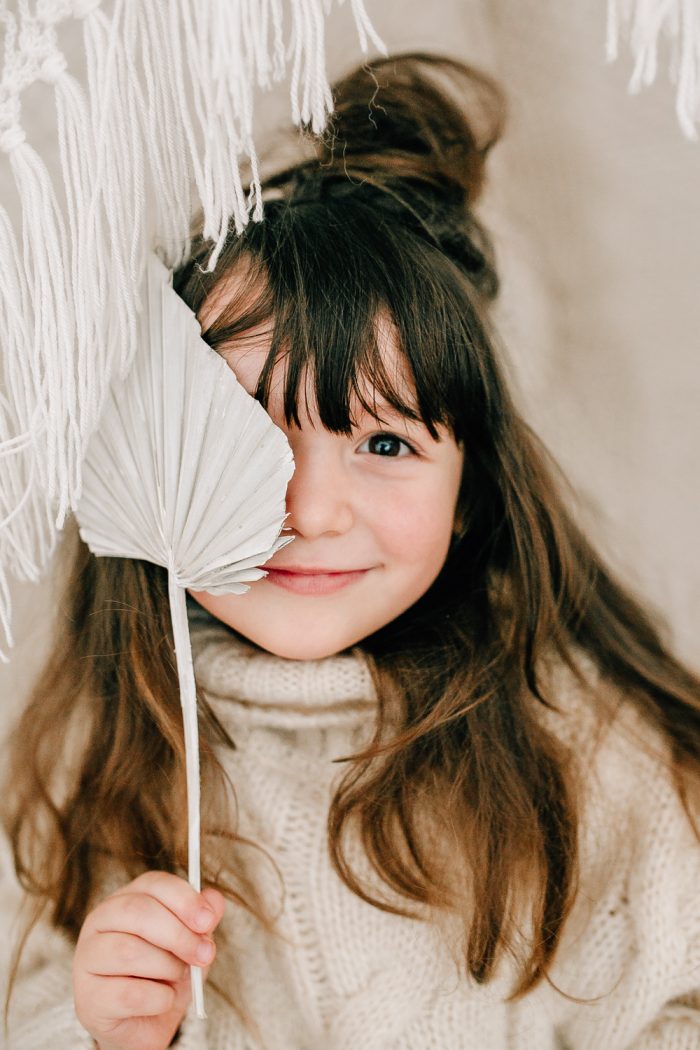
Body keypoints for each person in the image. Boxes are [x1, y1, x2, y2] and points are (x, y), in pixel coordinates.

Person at [2, 51, 700, 1050]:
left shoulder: (583, 757)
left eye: (383, 443)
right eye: (249, 433)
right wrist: (102, 1027)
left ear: (470, 494)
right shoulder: (105, 755)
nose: (313, 510)